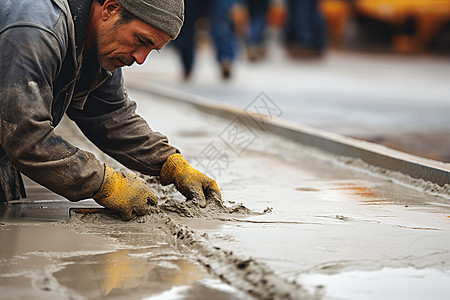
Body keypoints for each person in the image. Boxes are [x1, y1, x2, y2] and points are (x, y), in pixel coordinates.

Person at [0, 0, 222, 220]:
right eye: (141, 40)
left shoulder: (97, 41)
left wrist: (169, 162)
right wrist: (103, 182)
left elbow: (109, 114)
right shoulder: (36, 30)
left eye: (152, 49)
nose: (140, 58)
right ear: (110, 8)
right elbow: (24, 136)